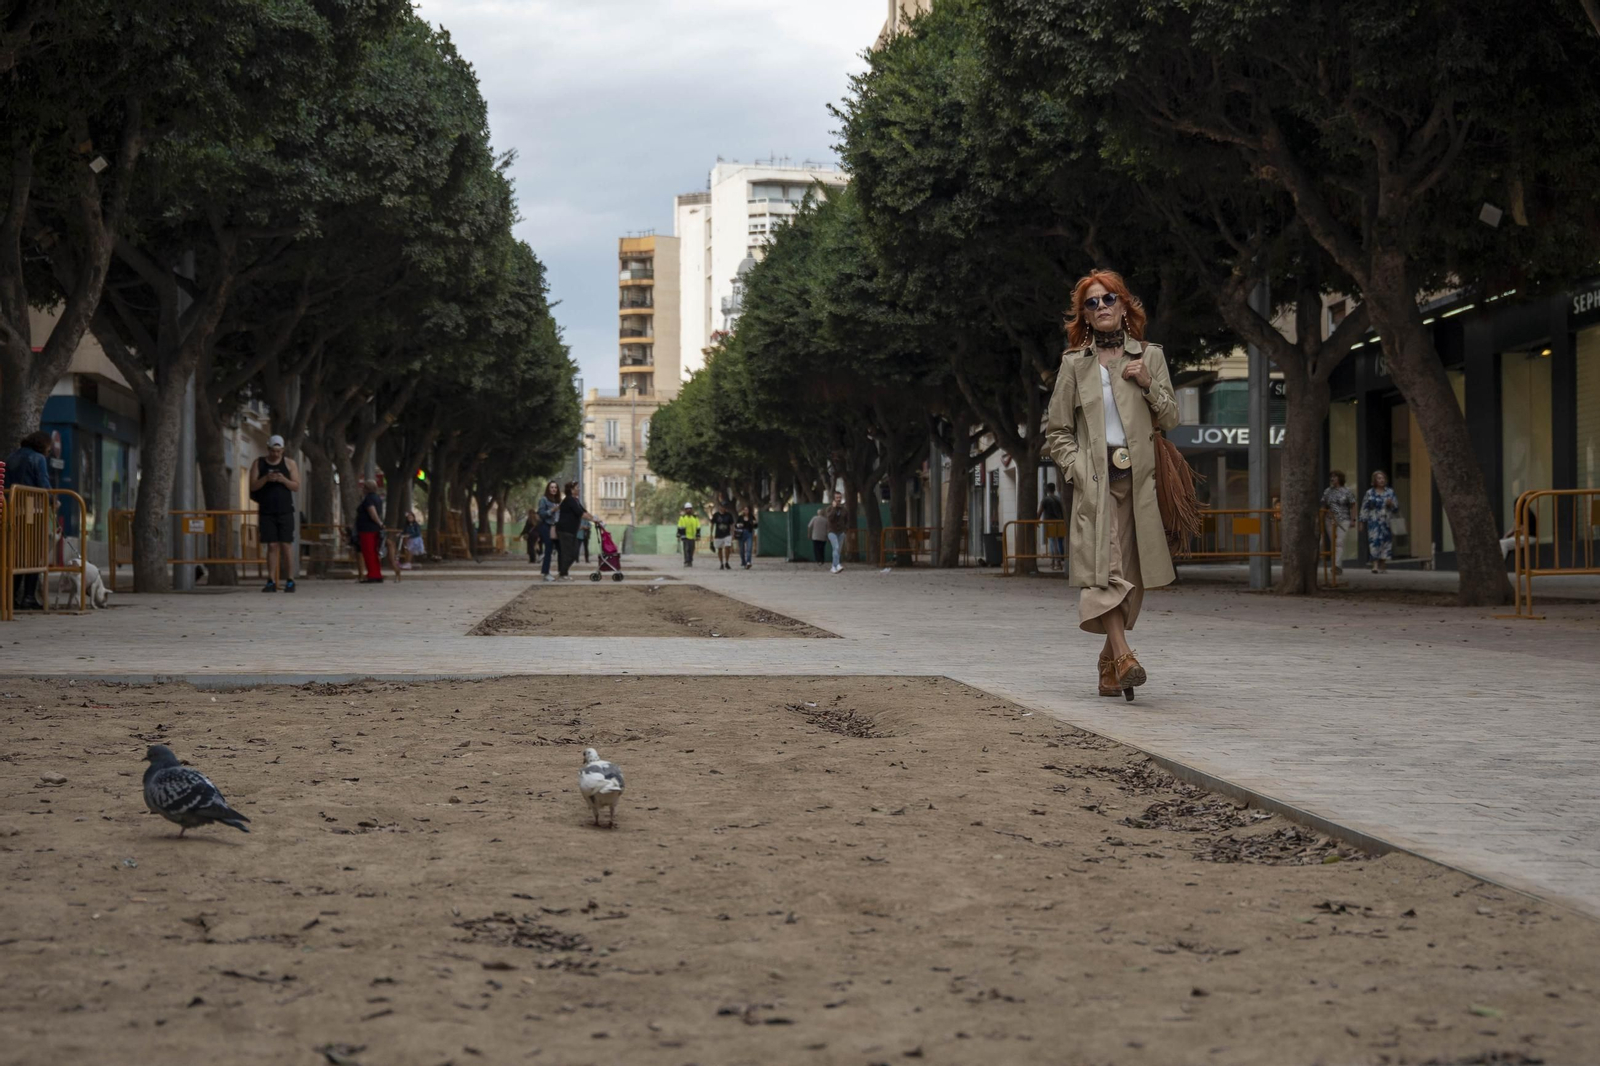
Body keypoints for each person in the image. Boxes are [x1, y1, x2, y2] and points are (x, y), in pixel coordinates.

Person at [1044, 270, 1180, 701]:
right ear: (1083, 315)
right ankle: (1124, 657)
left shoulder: (1150, 357)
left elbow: (1172, 418)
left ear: (1124, 306)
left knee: (1134, 578)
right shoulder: (1074, 365)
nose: (1101, 307)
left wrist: (1147, 383)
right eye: (1091, 303)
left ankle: (1107, 667)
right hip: (1096, 483)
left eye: (1108, 300)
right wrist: (1077, 467)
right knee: (1107, 571)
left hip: (1140, 482)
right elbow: (1057, 429)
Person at [5, 431, 54, 610]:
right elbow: (43, 483)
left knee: (15, 555)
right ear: (43, 445)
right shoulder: (38, 458)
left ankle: (10, 596)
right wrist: (53, 500)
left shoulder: (11, 457)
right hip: (31, 511)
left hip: (12, 512)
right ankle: (28, 596)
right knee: (34, 554)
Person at [249, 434, 301, 593]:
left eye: (279, 451)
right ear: (268, 449)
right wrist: (266, 478)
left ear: (283, 450)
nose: (275, 454)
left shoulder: (290, 464)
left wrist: (282, 480)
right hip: (267, 511)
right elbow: (253, 486)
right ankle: (271, 580)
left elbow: (296, 486)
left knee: (286, 545)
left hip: (285, 510)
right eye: (273, 451)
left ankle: (290, 579)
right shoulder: (259, 463)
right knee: (272, 545)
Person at [553, 482, 596, 581]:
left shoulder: (575, 500)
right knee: (568, 553)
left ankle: (564, 573)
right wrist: (594, 520)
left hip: (572, 531)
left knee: (574, 553)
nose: (579, 489)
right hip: (565, 530)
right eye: (577, 488)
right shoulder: (569, 500)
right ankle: (562, 574)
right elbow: (581, 514)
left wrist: (596, 519)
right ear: (572, 490)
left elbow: (584, 511)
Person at [1360, 470, 1401, 573]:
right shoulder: (1369, 493)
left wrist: (1391, 504)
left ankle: (1383, 565)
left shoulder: (1390, 492)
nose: (1381, 480)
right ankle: (1375, 565)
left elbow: (1396, 508)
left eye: (1383, 478)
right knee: (1374, 542)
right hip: (1373, 521)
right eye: (1379, 478)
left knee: (1385, 543)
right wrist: (1361, 521)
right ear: (1375, 480)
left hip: (1386, 522)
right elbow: (1364, 507)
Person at [1320, 471, 1357, 576]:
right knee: (1333, 542)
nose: (1332, 479)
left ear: (1340, 478)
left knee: (1339, 542)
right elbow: (1323, 505)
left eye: (1334, 477)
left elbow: (1353, 505)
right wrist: (1321, 519)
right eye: (1331, 477)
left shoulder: (1347, 491)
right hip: (1330, 519)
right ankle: (1335, 564)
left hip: (1343, 519)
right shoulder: (1327, 491)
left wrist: (1353, 519)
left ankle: (1337, 565)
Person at [354, 477, 385, 584]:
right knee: (374, 552)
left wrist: (379, 522)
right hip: (373, 529)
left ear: (366, 488)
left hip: (367, 530)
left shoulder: (368, 499)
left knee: (369, 552)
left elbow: (372, 512)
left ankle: (372, 575)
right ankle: (377, 573)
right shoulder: (377, 498)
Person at [1037, 483, 1067, 571]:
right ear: (1054, 489)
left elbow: (1040, 511)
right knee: (1057, 542)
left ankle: (1056, 562)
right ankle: (1055, 562)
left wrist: (1037, 521)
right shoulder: (1059, 499)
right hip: (1059, 522)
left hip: (1050, 523)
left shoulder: (1045, 500)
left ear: (1047, 489)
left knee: (1052, 543)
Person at [536, 481, 560, 578]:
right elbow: (541, 513)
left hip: (556, 527)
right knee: (549, 549)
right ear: (548, 489)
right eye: (551, 487)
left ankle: (562, 572)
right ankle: (546, 573)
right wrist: (552, 510)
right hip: (546, 526)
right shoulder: (544, 500)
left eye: (555, 487)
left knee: (559, 549)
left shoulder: (558, 501)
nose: (554, 489)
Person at [824, 491, 850, 574]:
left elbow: (847, 520)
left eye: (840, 497)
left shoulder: (844, 510)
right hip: (832, 531)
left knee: (838, 550)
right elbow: (830, 518)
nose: (839, 499)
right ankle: (837, 564)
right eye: (837, 498)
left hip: (841, 532)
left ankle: (833, 567)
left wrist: (845, 529)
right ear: (834, 499)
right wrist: (834, 508)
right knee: (836, 547)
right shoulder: (829, 508)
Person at [709, 502, 736, 570]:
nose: (723, 508)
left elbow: (732, 525)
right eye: (722, 507)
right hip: (718, 535)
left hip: (727, 534)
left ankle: (727, 562)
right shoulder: (716, 515)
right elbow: (712, 524)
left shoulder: (729, 515)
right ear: (720, 507)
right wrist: (711, 534)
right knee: (719, 549)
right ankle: (721, 563)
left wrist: (733, 533)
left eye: (724, 507)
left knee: (727, 547)